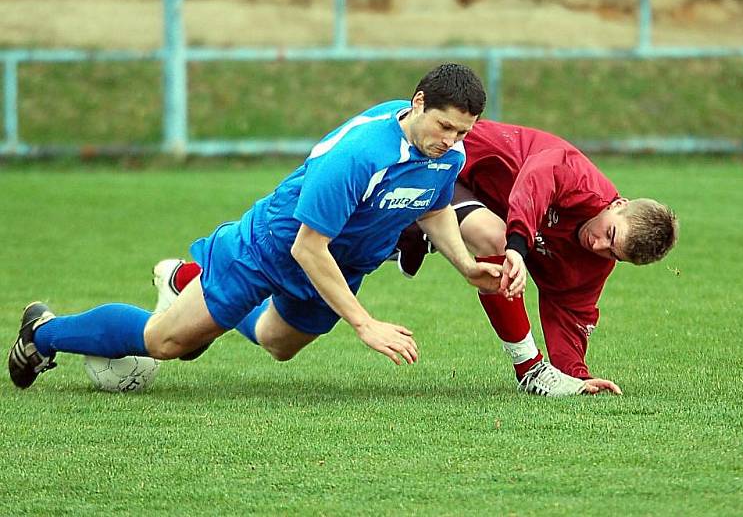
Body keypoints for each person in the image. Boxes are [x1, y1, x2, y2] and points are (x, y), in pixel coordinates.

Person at [8, 63, 514, 390]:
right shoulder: (359, 155)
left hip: (340, 265)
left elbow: (433, 204)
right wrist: (365, 322)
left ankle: (187, 283)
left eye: (462, 132)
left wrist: (466, 265)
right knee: (166, 343)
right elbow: (308, 247)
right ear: (419, 102)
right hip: (271, 247)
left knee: (278, 344)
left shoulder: (447, 153)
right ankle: (44, 333)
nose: (452, 141)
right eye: (444, 126)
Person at [392, 119, 679, 396]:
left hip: (465, 197)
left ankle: (409, 232)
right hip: (449, 158)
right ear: (618, 205)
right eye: (611, 233)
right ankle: (530, 369)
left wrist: (577, 377)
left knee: (355, 252)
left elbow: (570, 315)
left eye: (613, 253)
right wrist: (517, 246)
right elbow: (538, 178)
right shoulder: (580, 179)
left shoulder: (593, 264)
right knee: (496, 238)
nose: (598, 245)